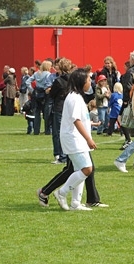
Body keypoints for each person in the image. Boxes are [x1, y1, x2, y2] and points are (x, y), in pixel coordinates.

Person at [50, 68, 98, 211]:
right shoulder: (74, 98)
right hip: (74, 138)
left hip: (77, 138)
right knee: (87, 169)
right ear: (81, 81)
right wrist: (88, 138)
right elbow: (76, 120)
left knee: (80, 170)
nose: (90, 82)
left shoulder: (77, 97)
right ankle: (62, 192)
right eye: (88, 80)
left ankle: (76, 203)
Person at [119, 51, 134, 150]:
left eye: (130, 58)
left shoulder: (130, 71)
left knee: (123, 119)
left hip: (131, 100)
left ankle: (129, 140)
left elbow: (127, 87)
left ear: (133, 59)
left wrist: (126, 101)